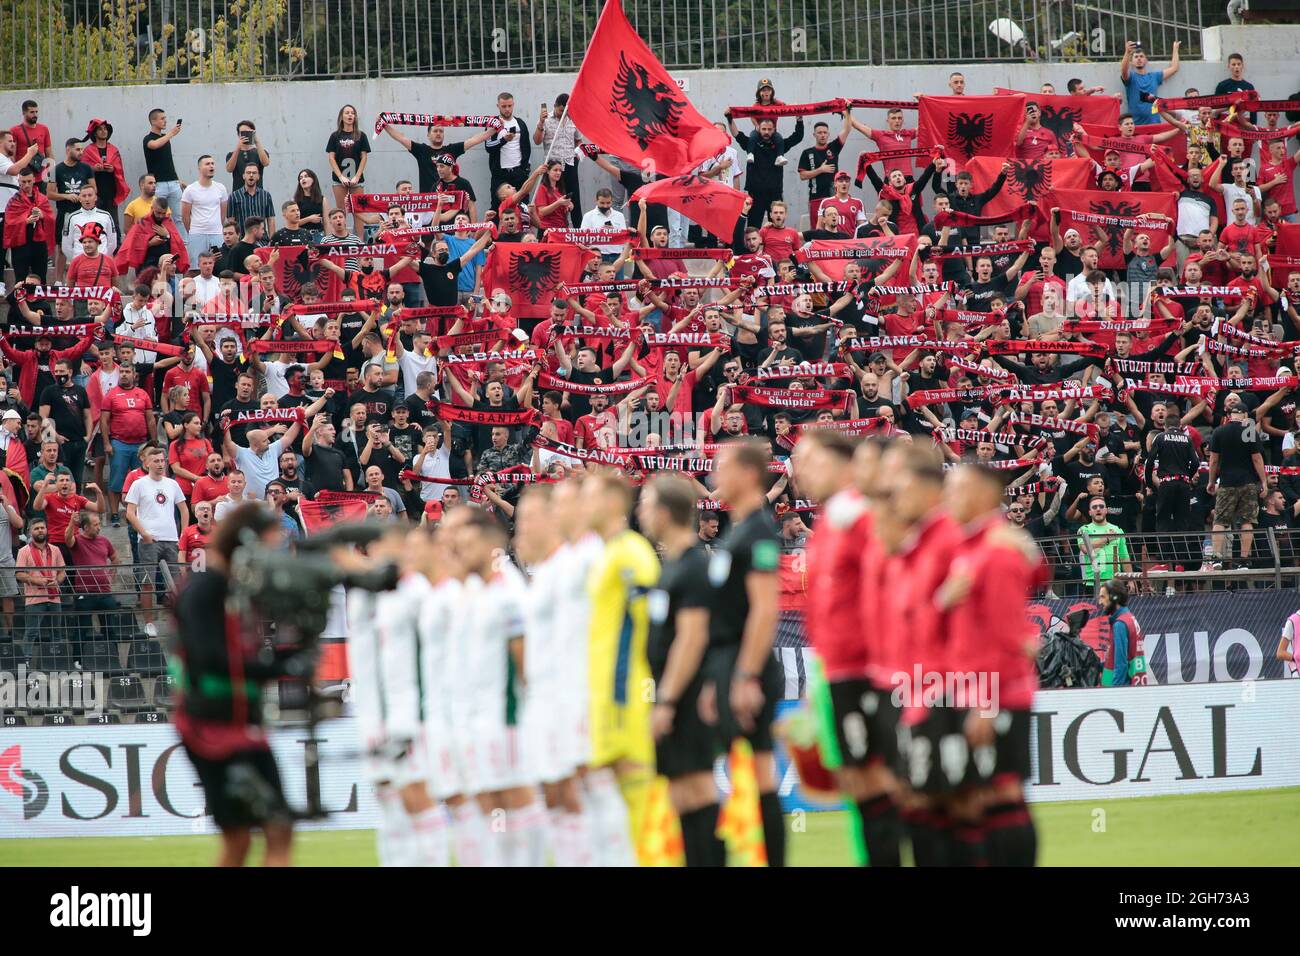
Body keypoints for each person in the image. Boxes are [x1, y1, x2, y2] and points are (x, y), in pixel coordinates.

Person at [172, 503, 306, 866]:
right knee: (242, 835)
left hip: (243, 721)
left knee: (268, 830)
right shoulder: (204, 589)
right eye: (267, 545)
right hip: (210, 725)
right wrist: (279, 666)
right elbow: (210, 657)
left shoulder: (239, 588)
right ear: (246, 542)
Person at [794, 430, 900, 866]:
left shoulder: (861, 516)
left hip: (867, 668)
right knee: (858, 780)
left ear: (843, 464)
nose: (800, 472)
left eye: (811, 461)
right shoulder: (830, 520)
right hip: (835, 669)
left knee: (876, 777)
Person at [941, 463, 1046, 866]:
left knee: (1002, 793)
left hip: (997, 692)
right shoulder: (973, 546)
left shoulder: (995, 552)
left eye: (957, 488)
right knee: (982, 796)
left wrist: (985, 703)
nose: (948, 496)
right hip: (980, 688)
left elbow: (1006, 636)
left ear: (984, 496)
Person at [702, 438, 787, 865]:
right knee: (749, 777)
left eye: (724, 467)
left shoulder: (757, 531)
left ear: (750, 475)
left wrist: (745, 676)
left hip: (745, 670)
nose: (716, 476)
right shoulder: (739, 529)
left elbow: (764, 610)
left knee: (760, 777)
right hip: (729, 665)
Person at [636, 474, 724, 867]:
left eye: (647, 504)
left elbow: (691, 640)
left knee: (699, 789)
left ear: (666, 512)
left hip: (687, 696)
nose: (640, 512)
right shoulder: (671, 565)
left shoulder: (691, 567)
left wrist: (667, 700)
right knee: (682, 793)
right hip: (674, 694)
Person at [583, 471, 660, 866]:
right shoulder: (606, 553)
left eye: (591, 496)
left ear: (614, 503)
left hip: (625, 691)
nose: (584, 504)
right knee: (613, 790)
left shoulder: (632, 552)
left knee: (636, 786)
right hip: (603, 691)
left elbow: (652, 622)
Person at [1207, 397, 1268, 568]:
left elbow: (1213, 461)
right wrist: (1264, 481)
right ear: (1245, 415)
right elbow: (1256, 458)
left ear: (1230, 415)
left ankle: (1216, 557)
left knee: (1219, 520)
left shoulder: (1219, 431)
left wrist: (1211, 482)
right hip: (1247, 482)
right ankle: (1244, 560)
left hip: (1226, 482)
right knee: (1246, 521)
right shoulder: (1249, 431)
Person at [15, 514, 65, 653]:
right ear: (30, 532)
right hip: (34, 598)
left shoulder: (55, 549)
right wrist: (38, 581)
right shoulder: (23, 551)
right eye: (36, 528)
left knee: (57, 632)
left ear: (47, 530)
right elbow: (19, 574)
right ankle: (25, 662)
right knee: (31, 632)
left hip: (54, 597)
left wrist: (57, 581)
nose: (40, 530)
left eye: (43, 528)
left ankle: (57, 661)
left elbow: (62, 571)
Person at [326, 105, 370, 235]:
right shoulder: (335, 136)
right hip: (340, 179)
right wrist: (340, 176)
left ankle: (359, 242)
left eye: (352, 113)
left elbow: (364, 157)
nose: (350, 115)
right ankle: (341, 240)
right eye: (347, 113)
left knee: (358, 211)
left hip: (357, 178)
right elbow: (331, 157)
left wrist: (357, 175)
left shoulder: (361, 135)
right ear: (342, 116)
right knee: (340, 211)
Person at [181, 154, 229, 266]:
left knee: (219, 266)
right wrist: (193, 231)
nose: (211, 166)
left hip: (216, 233)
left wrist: (217, 227)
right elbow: (185, 217)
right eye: (207, 164)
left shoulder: (220, 188)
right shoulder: (190, 190)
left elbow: (223, 214)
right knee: (196, 267)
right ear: (199, 168)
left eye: (212, 163)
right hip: (197, 234)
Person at [143, 108, 185, 233]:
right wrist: (171, 133)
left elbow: (168, 162)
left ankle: (184, 244)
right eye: (162, 118)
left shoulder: (165, 139)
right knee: (157, 216)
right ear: (153, 121)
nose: (165, 121)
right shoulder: (148, 138)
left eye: (165, 118)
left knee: (179, 217)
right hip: (159, 185)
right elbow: (154, 145)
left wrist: (177, 180)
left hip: (173, 183)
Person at [1120, 39, 1179, 126]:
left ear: (1146, 60)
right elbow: (1123, 71)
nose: (1139, 59)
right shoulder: (1131, 77)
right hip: (1135, 126)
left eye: (1141, 56)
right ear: (1132, 62)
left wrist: (1175, 49)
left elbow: (1174, 68)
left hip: (1154, 123)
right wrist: (1127, 52)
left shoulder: (1155, 76)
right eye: (1136, 57)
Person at [1098, 580, 1144, 686]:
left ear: (1115, 598)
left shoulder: (1120, 624)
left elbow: (1121, 664)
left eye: (1103, 597)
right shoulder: (1129, 617)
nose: (1100, 602)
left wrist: (1116, 693)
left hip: (1121, 691)